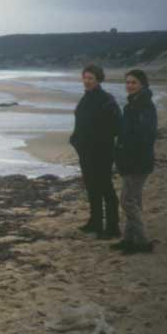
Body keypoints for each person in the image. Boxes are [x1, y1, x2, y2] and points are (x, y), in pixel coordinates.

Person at [69, 64, 121, 239]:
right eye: (85, 78)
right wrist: (75, 139)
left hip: (102, 151)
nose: (87, 81)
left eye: (90, 78)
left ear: (98, 79)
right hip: (85, 152)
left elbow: (116, 127)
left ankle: (113, 227)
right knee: (92, 187)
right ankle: (95, 222)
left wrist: (98, 141)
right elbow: (81, 122)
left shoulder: (107, 100)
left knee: (105, 187)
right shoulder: (86, 98)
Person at [111, 69, 157, 254]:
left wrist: (124, 148)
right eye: (128, 82)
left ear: (142, 85)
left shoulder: (144, 105)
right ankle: (129, 239)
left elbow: (144, 135)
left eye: (133, 83)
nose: (129, 86)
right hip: (132, 159)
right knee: (133, 200)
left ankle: (143, 242)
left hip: (138, 160)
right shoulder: (133, 104)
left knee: (128, 201)